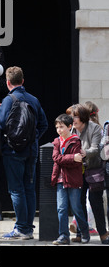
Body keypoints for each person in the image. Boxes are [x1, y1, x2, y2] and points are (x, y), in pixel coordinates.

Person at [0, 66, 48, 239]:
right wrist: (32, 137)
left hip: (12, 151)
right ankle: (28, 229)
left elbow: (0, 122)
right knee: (29, 188)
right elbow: (44, 124)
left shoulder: (8, 101)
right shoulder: (34, 99)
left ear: (8, 82)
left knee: (16, 190)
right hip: (31, 151)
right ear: (22, 81)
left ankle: (21, 229)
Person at [71, 103, 109, 244]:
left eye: (76, 117)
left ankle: (103, 234)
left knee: (96, 203)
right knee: (78, 203)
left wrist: (84, 152)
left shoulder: (95, 128)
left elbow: (95, 149)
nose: (73, 120)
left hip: (93, 170)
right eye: (72, 117)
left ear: (83, 118)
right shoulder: (72, 129)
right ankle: (81, 233)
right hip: (77, 170)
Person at [51, 113, 90, 245]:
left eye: (61, 127)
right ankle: (63, 236)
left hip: (73, 179)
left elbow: (76, 162)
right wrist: (72, 157)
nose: (59, 130)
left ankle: (84, 231)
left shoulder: (75, 141)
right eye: (57, 127)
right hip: (60, 180)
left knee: (76, 208)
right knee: (61, 208)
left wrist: (71, 159)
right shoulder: (56, 141)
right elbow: (56, 158)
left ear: (69, 126)